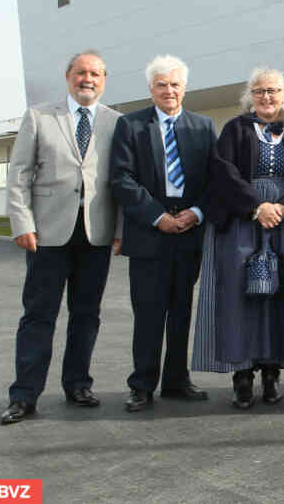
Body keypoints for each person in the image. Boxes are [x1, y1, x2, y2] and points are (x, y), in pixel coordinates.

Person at [1, 51, 122, 425]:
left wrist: (119, 232)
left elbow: (121, 181)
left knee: (86, 315)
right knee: (39, 315)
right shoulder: (39, 116)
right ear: (68, 76)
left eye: (96, 74)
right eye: (81, 72)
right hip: (48, 235)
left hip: (95, 235)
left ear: (104, 80)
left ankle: (77, 385)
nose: (88, 78)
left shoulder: (117, 123)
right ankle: (24, 395)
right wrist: (21, 223)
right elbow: (19, 173)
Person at [191, 68, 284, 409]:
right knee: (241, 296)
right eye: (260, 91)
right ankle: (243, 376)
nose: (267, 97)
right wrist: (257, 206)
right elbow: (223, 172)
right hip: (242, 222)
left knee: (283, 298)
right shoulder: (235, 130)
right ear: (251, 96)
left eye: (273, 91)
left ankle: (272, 373)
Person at [110, 55, 216, 411]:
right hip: (149, 234)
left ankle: (176, 380)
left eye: (174, 84)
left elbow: (216, 181)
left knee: (181, 310)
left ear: (184, 88)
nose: (169, 90)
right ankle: (142, 385)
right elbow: (122, 179)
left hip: (189, 232)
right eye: (161, 84)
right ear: (150, 89)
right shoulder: (131, 125)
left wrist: (197, 212)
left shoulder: (203, 127)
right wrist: (158, 217)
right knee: (149, 313)